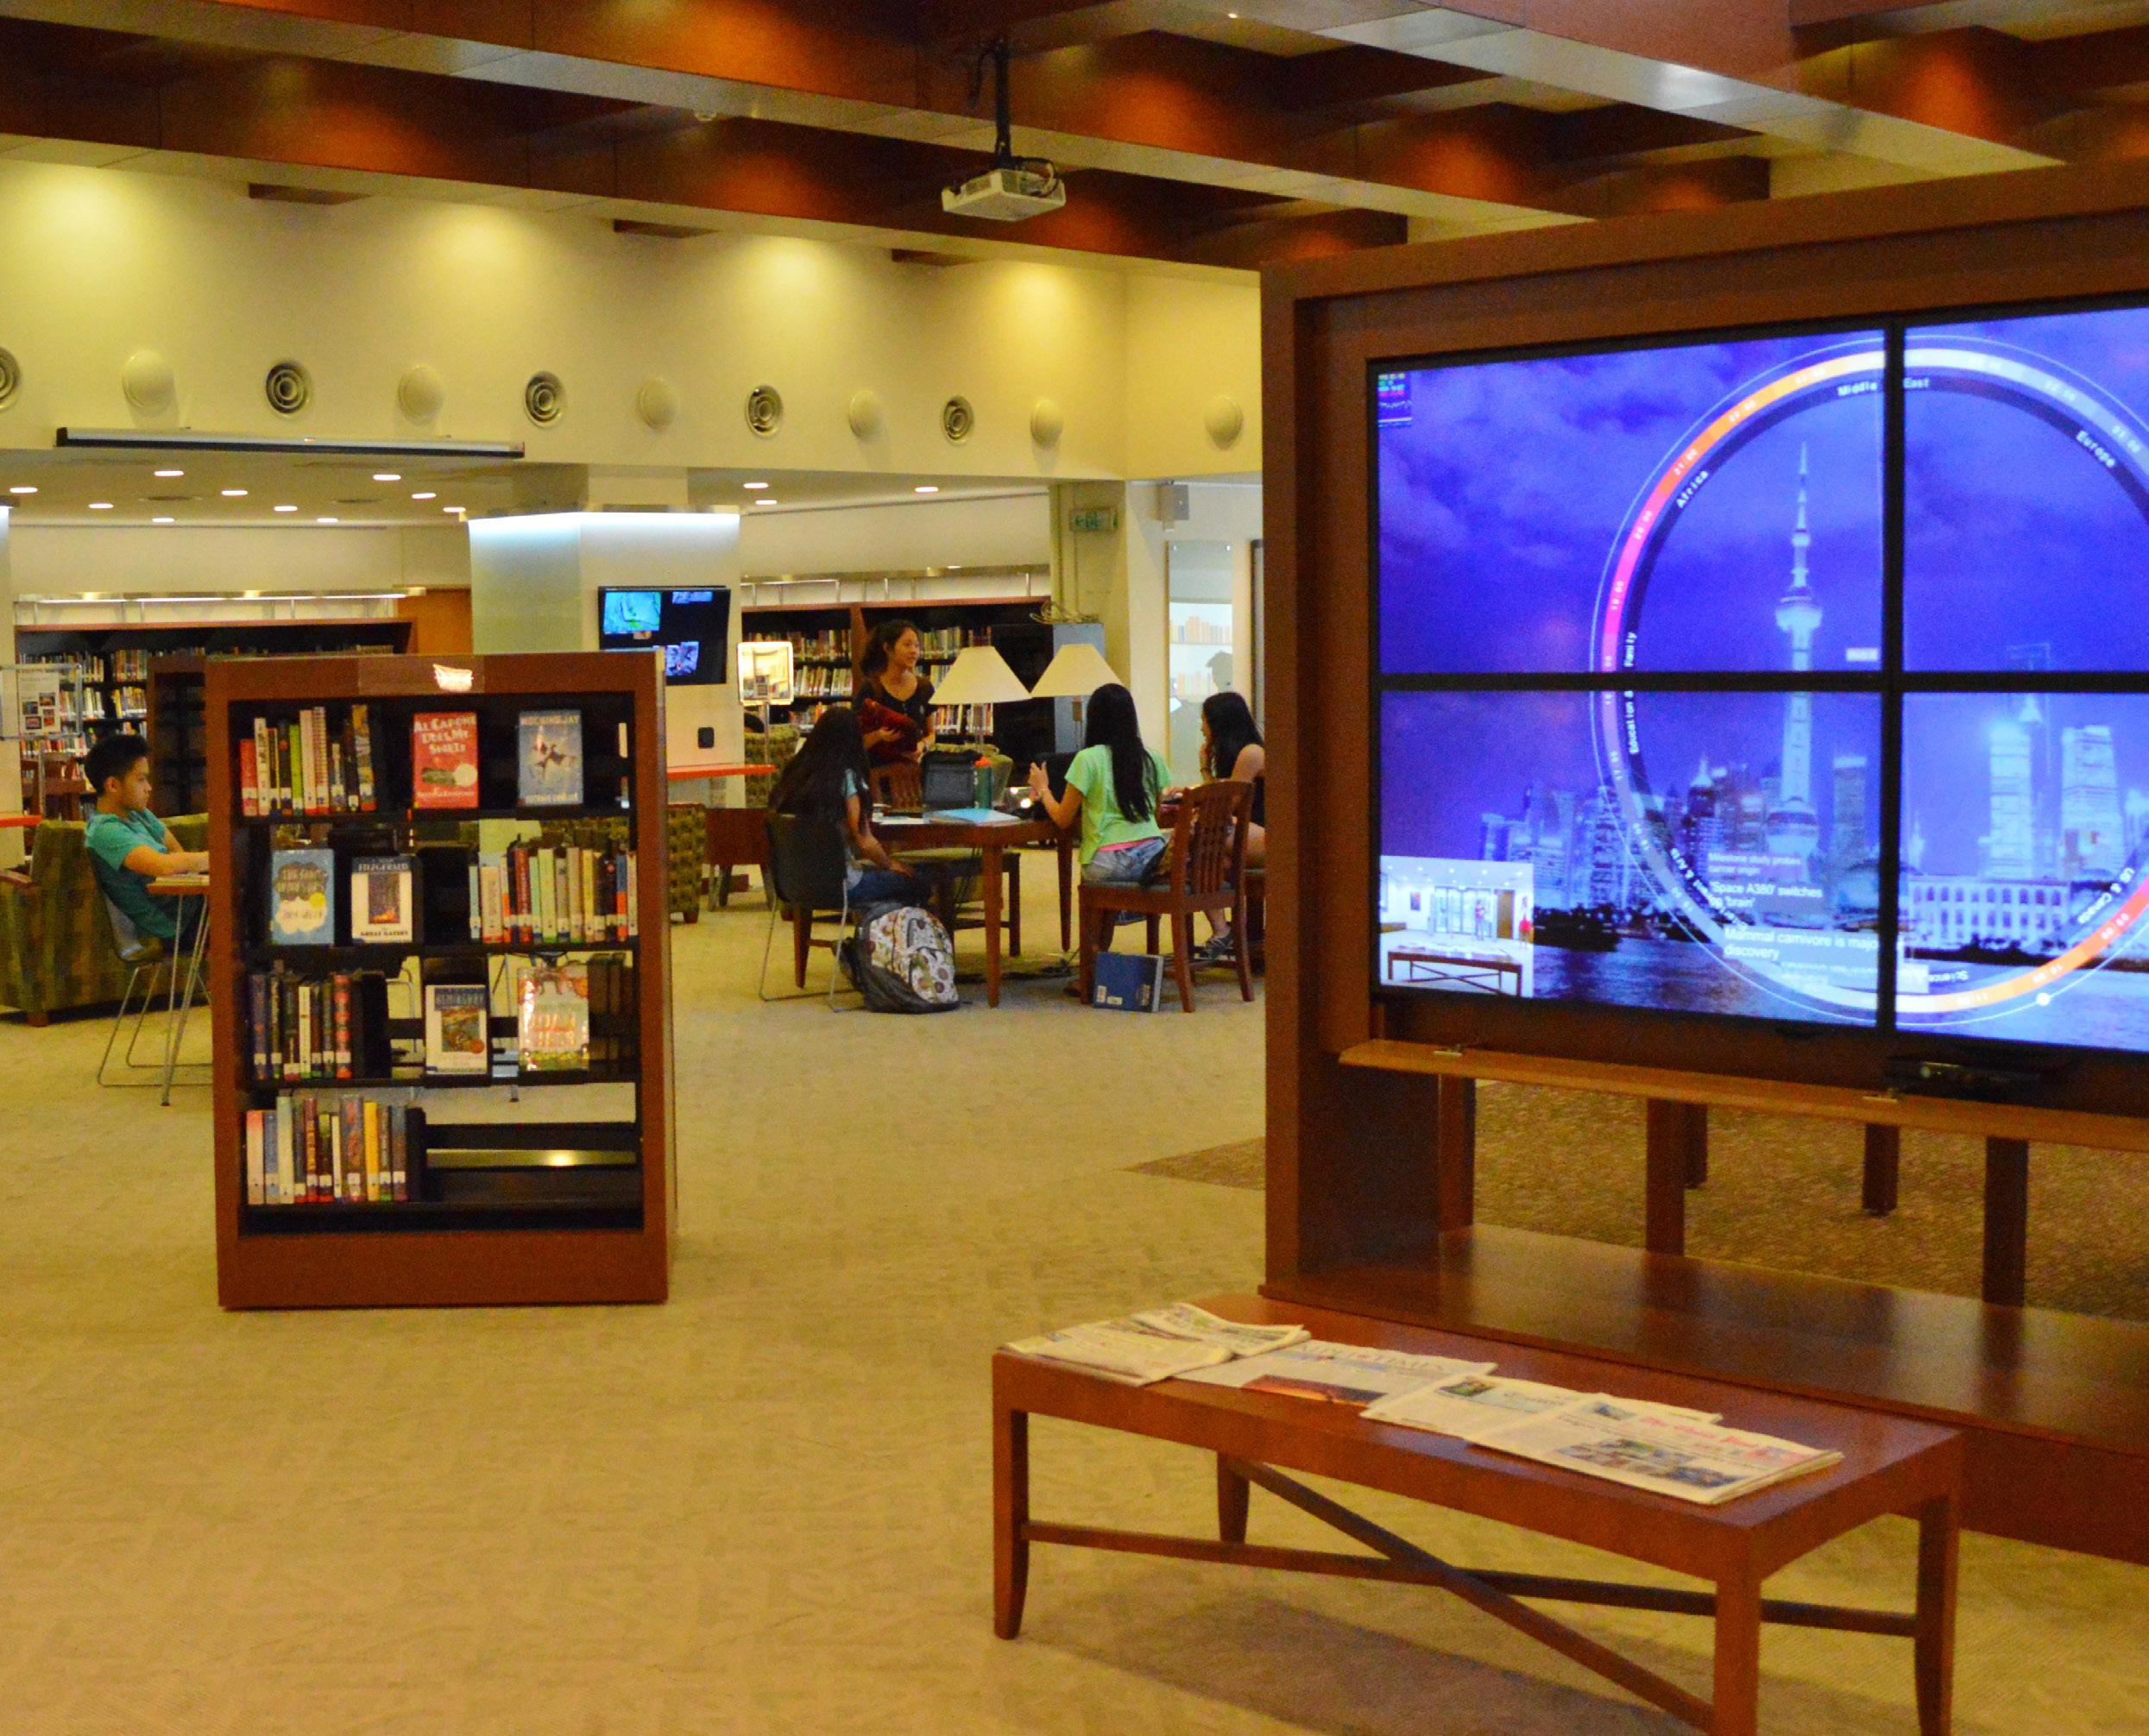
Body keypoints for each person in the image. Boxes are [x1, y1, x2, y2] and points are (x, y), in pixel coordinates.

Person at [766, 706, 934, 909]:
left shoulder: (794, 775)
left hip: (793, 884)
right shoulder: (846, 778)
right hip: (841, 885)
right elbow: (864, 841)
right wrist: (890, 864)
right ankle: (888, 926)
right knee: (918, 881)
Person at [1027, 682, 1173, 890]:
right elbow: (1156, 813)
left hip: (1109, 860)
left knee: (1091, 874)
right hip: (1153, 858)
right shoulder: (1152, 758)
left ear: (1094, 719)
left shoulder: (1087, 759)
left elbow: (1063, 819)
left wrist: (1043, 789)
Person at [82, 733, 210, 950]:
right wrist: (221, 859)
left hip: (191, 911)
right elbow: (165, 866)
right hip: (171, 930)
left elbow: (177, 853)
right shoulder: (105, 832)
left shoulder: (139, 814)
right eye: (141, 779)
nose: (149, 787)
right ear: (113, 785)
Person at [1200, 690, 1265, 869]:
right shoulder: (1239, 755)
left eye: (1204, 720)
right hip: (1249, 831)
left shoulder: (1251, 753)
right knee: (1216, 862)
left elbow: (1225, 807)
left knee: (1204, 828)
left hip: (1264, 835)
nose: (1202, 728)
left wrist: (1205, 769)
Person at [856, 619, 936, 765]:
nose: (914, 651)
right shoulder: (871, 688)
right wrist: (879, 736)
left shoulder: (925, 687)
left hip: (916, 771)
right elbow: (856, 740)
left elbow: (931, 733)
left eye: (917, 646)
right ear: (888, 648)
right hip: (880, 771)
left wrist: (923, 745)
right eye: (907, 645)